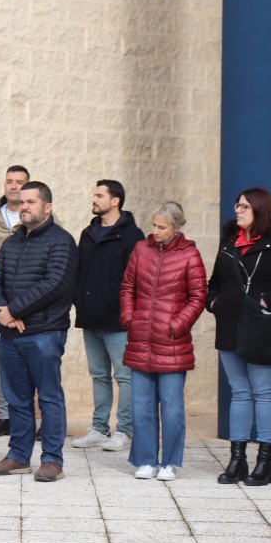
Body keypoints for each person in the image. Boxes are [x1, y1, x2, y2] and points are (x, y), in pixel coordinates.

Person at [208, 187, 271, 485]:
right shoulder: (229, 242)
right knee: (239, 392)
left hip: (264, 327)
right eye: (237, 205)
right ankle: (237, 460)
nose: (237, 210)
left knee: (264, 391)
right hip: (230, 326)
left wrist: (268, 301)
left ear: (260, 210)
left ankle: (265, 463)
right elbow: (214, 282)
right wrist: (214, 303)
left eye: (245, 206)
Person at [0, 181, 78, 481]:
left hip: (45, 334)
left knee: (49, 398)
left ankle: (52, 460)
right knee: (17, 398)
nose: (23, 207)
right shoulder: (12, 242)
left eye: (31, 202)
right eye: (21, 202)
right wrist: (3, 312)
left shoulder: (61, 241)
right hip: (12, 335)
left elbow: (55, 284)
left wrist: (14, 310)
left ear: (47, 207)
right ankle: (18, 456)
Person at [120, 201, 206, 481]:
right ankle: (145, 460)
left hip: (172, 343)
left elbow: (198, 297)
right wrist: (129, 318)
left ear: (176, 228)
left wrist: (176, 325)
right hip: (141, 339)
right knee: (141, 406)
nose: (155, 231)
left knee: (172, 408)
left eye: (162, 227)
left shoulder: (190, 255)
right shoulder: (140, 249)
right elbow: (128, 286)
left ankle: (169, 462)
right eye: (154, 225)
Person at [72, 179, 144, 452]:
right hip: (90, 316)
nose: (94, 199)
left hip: (118, 320)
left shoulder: (132, 235)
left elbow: (136, 278)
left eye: (99, 195)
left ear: (115, 200)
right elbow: (79, 271)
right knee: (98, 375)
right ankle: (99, 429)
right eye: (95, 194)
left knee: (124, 377)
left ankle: (125, 431)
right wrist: (79, 300)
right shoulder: (88, 233)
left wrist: (122, 308)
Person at [0, 164, 29, 437]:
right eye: (9, 181)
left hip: (31, 299)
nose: (13, 186)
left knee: (32, 358)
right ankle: (4, 417)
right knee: (1, 360)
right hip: (1, 300)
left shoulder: (39, 215)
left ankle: (31, 417)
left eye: (19, 182)